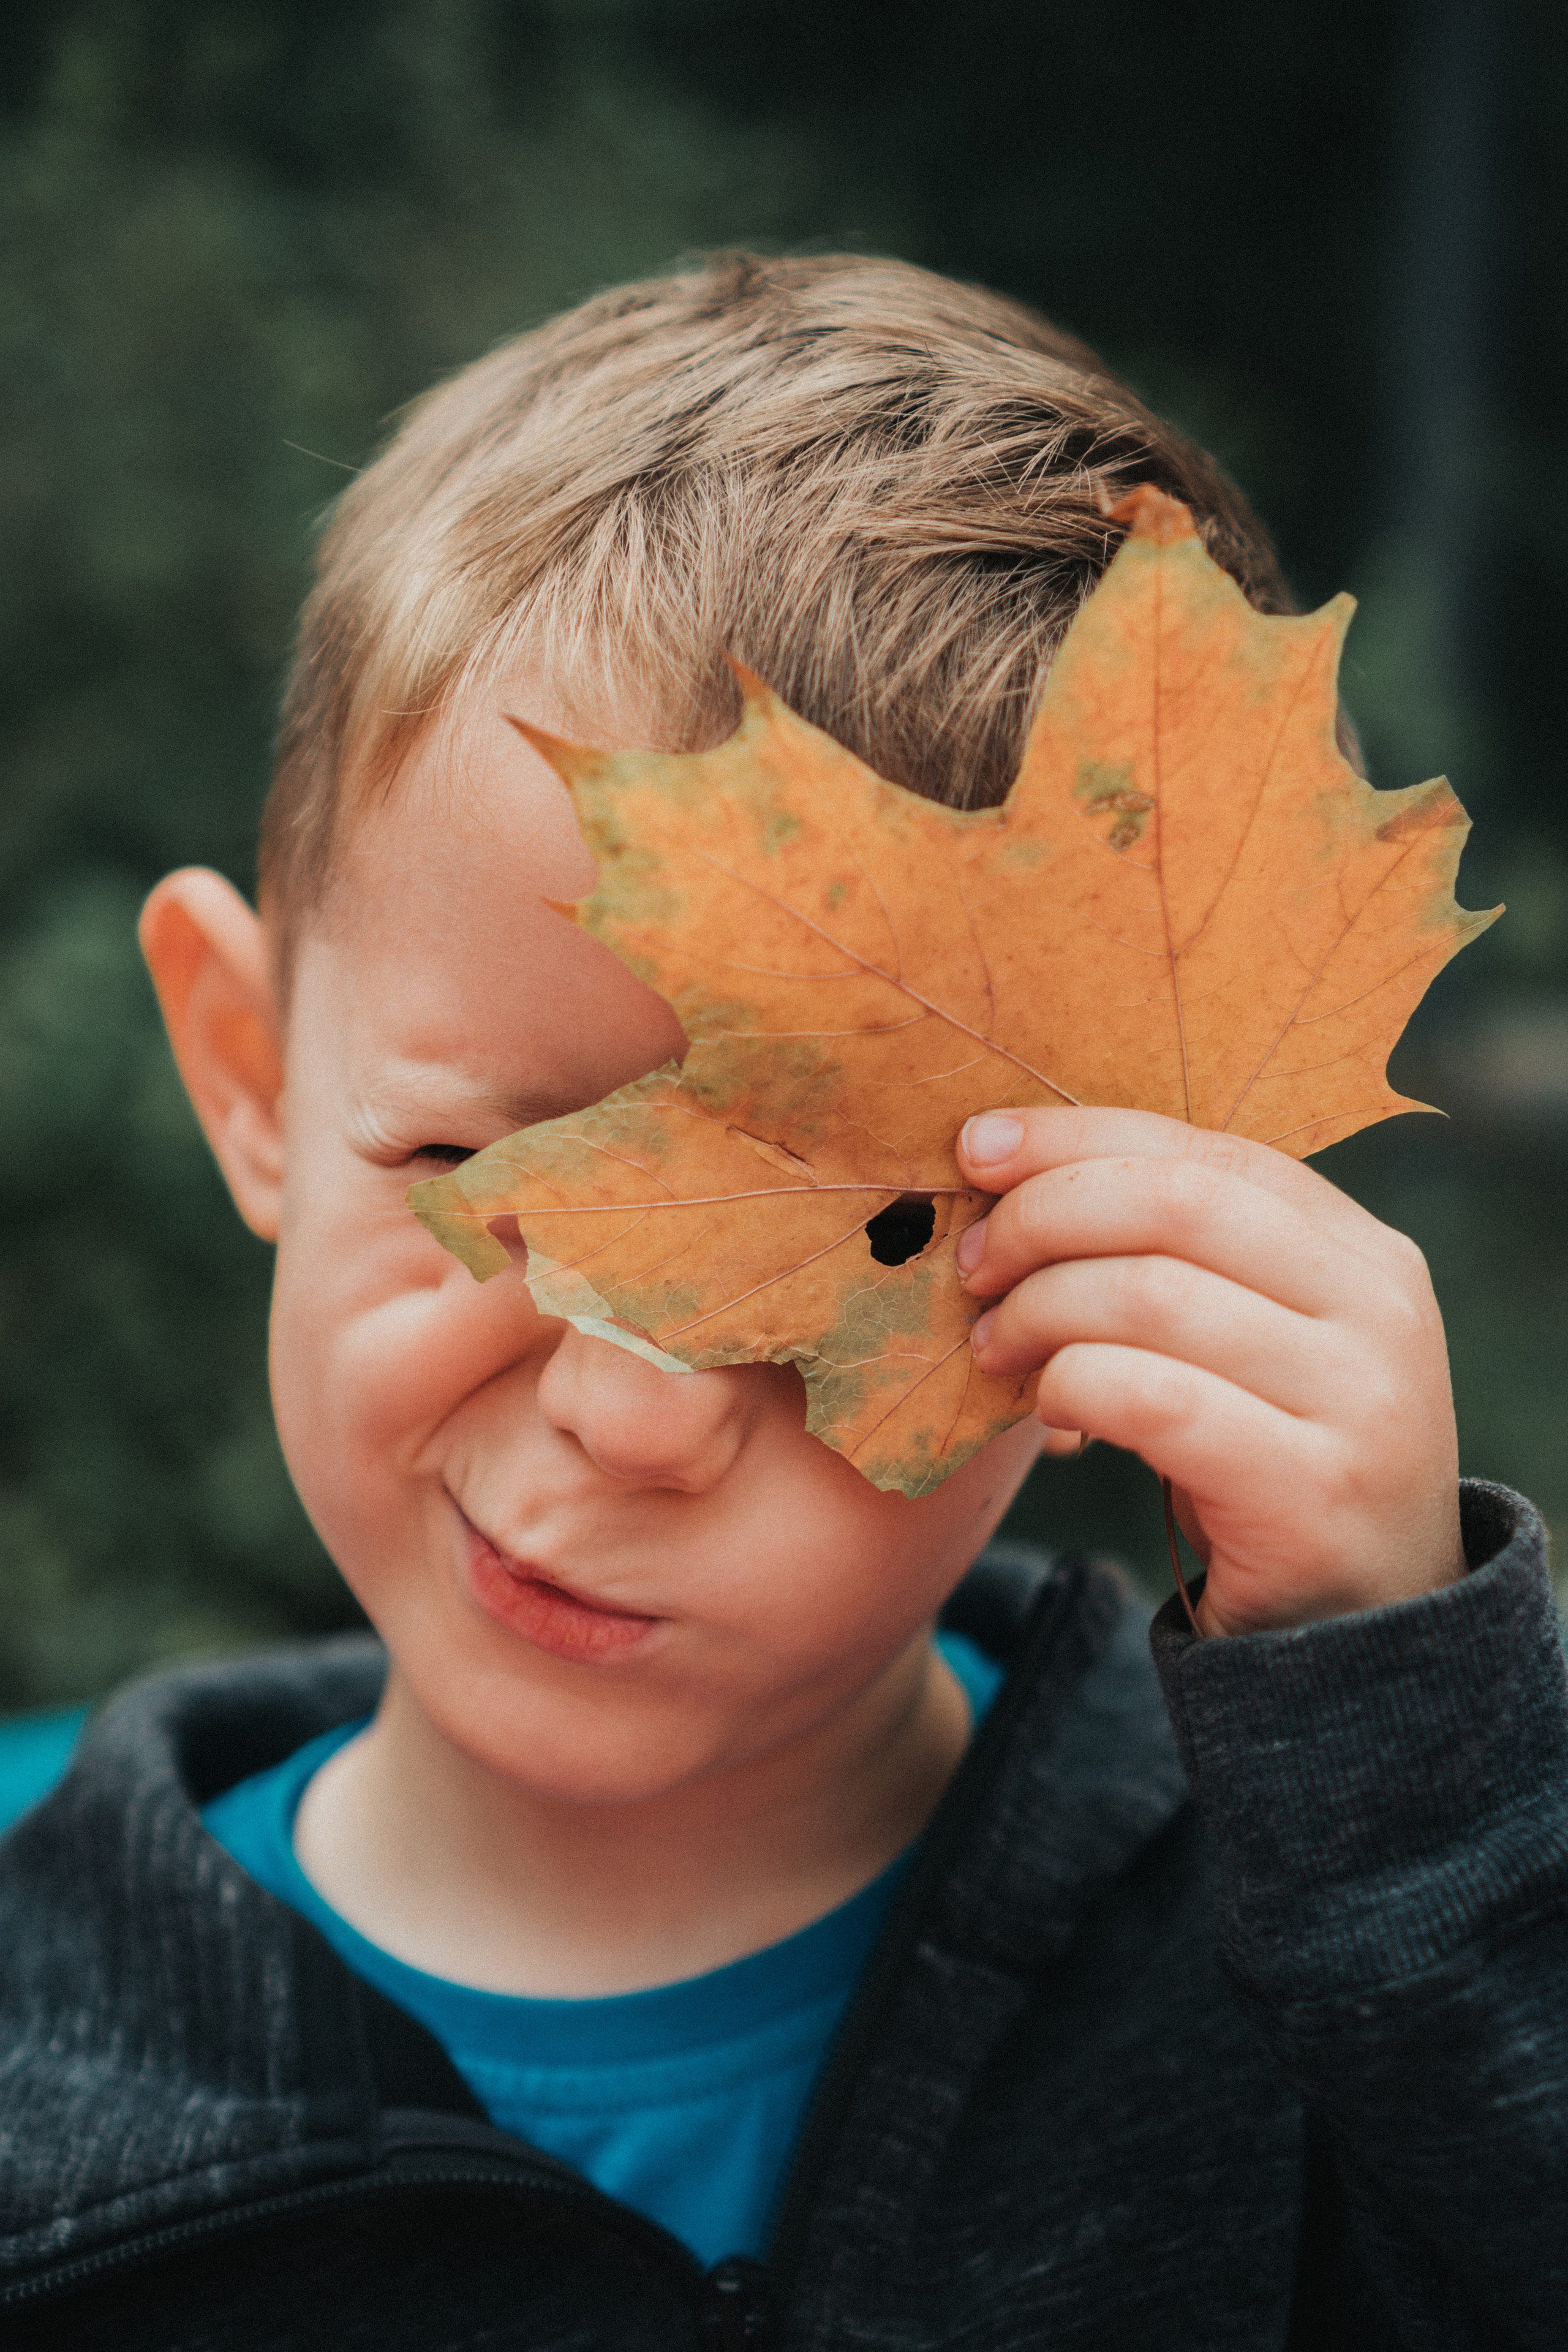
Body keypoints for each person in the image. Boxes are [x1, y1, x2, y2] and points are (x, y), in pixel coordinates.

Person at [1, 253, 1563, 2351]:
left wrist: (1392, 1730)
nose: (635, 1416)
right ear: (251, 1069)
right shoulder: (44, 2082)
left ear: (1163, 1270)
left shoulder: (1361, 1994)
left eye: (886, 1239)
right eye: (492, 1180)